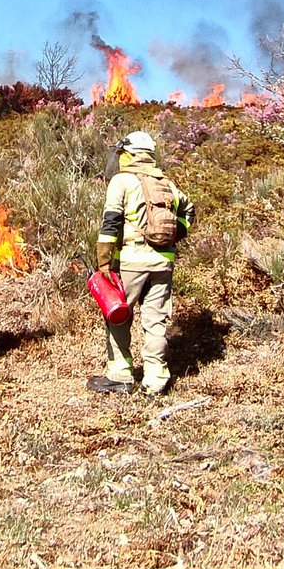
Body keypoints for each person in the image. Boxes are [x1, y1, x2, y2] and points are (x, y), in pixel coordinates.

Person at [88, 130, 195, 397]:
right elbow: (189, 211)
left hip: (132, 261)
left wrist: (104, 262)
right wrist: (174, 236)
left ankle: (120, 375)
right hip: (163, 262)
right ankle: (155, 380)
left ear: (130, 154)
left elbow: (111, 222)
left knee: (117, 316)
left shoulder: (122, 181)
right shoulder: (167, 184)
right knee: (156, 320)